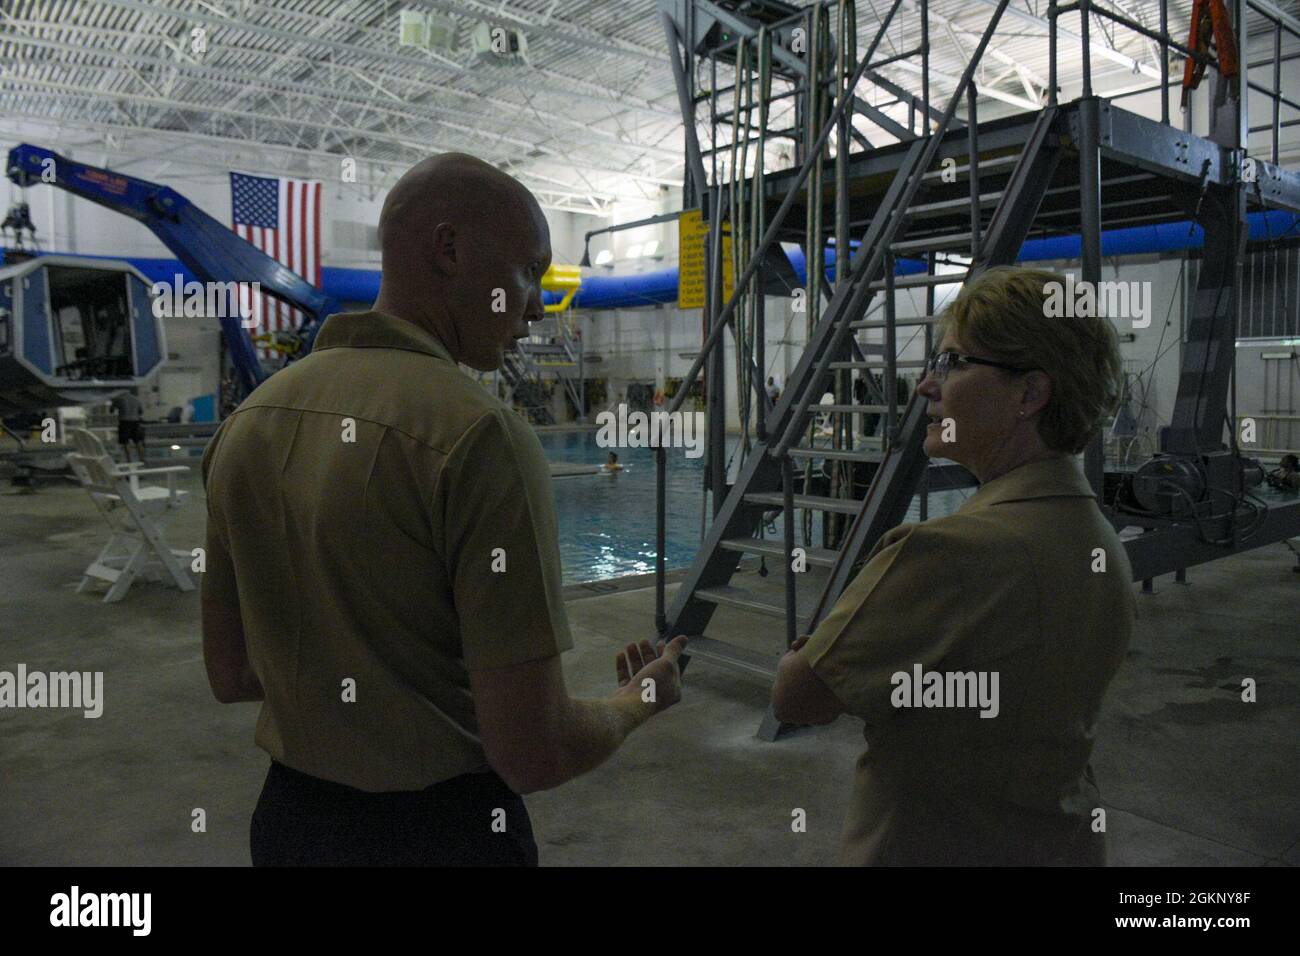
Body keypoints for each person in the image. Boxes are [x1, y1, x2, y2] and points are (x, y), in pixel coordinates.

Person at [201, 152, 688, 867]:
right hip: (440, 837)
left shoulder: (248, 421)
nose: (534, 306)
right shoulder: (477, 434)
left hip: (290, 827)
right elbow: (533, 751)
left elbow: (231, 673)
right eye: (529, 271)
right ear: (450, 249)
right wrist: (638, 701)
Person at [772, 265, 1135, 865]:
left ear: (1030, 393)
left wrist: (803, 656)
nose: (925, 386)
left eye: (952, 363)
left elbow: (797, 697)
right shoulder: (1098, 541)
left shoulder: (947, 552)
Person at [110, 389, 145, 462]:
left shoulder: (119, 399)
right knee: (138, 441)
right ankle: (142, 459)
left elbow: (111, 410)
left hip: (124, 421)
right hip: (135, 421)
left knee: (125, 441)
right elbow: (141, 411)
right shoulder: (136, 399)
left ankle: (129, 459)